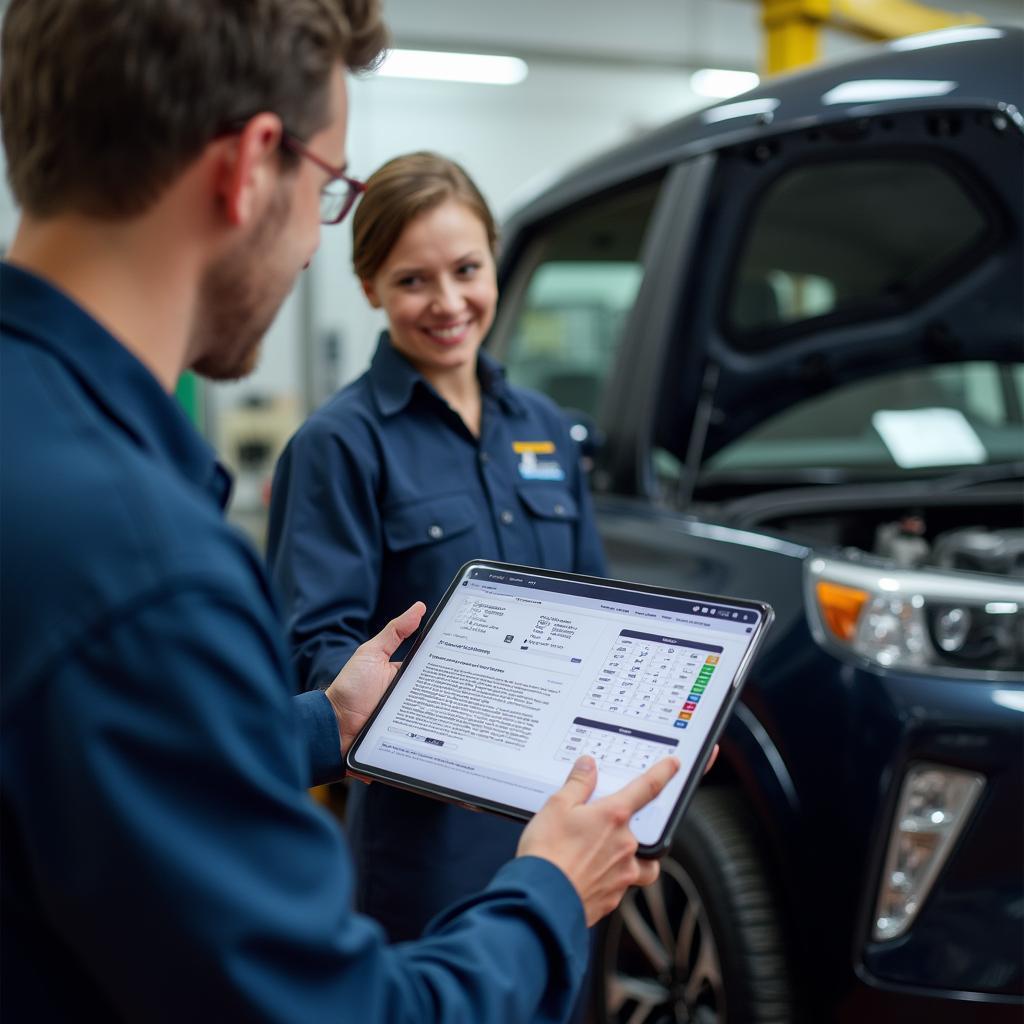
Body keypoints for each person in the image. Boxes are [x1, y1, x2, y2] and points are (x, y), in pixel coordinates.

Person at [0, 2, 680, 1022]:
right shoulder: (148, 565)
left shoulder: (55, 464)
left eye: (466, 267)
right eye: (328, 192)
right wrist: (548, 894)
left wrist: (329, 720)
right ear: (250, 166)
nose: (315, 246)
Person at [266, 151, 608, 941]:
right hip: (427, 837)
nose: (448, 302)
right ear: (369, 288)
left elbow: (599, 602)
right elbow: (311, 646)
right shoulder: (339, 445)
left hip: (559, 819)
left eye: (466, 269)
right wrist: (425, 716)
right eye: (414, 280)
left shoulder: (546, 427)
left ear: (494, 259)